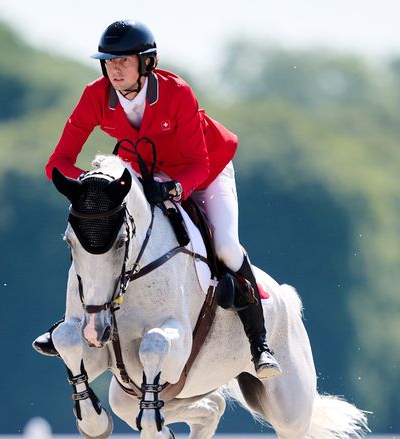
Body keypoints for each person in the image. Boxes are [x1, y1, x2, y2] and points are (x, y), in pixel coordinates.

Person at [35, 19, 281, 379]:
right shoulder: (95, 96)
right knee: (102, 236)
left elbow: (200, 163)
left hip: (204, 171)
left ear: (147, 62)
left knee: (226, 245)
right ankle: (73, 320)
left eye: (123, 60)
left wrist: (173, 190)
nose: (114, 69)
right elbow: (57, 163)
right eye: (108, 61)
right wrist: (92, 187)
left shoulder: (176, 92)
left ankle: (259, 343)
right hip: (146, 173)